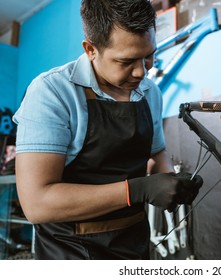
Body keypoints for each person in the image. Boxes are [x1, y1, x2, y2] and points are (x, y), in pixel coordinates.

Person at [12, 0, 202, 260]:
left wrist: (172, 182)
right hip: (69, 252)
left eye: (148, 56)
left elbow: (157, 153)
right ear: (91, 49)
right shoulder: (52, 92)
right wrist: (138, 190)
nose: (141, 72)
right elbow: (37, 203)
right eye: (126, 61)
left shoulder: (150, 93)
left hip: (133, 243)